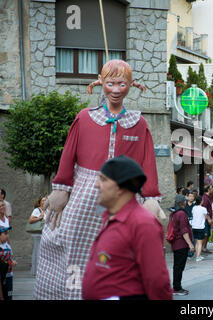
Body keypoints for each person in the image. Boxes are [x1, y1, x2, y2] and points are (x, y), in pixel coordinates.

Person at [35, 60, 162, 300]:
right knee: (70, 245)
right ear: (100, 82)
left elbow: (148, 163)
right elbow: (68, 155)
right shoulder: (84, 118)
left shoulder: (139, 123)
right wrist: (61, 187)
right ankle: (73, 294)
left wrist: (151, 197)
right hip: (85, 193)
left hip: (124, 198)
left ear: (131, 86)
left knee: (122, 252)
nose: (115, 90)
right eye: (110, 83)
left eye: (122, 84)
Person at [81, 156, 171, 300]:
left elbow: (157, 282)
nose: (96, 185)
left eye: (103, 179)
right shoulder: (108, 217)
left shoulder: (143, 224)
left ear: (120, 189)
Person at [169, 194, 195, 296]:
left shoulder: (174, 213)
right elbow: (184, 231)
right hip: (181, 244)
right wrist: (190, 244)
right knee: (179, 266)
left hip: (176, 243)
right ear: (183, 202)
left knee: (177, 266)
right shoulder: (182, 214)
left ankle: (176, 286)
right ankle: (177, 288)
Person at [28, 195, 47, 276]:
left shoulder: (49, 209)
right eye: (43, 200)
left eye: (46, 200)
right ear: (40, 202)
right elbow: (30, 220)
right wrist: (40, 217)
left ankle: (43, 270)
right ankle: (37, 270)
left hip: (45, 234)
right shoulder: (37, 210)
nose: (44, 202)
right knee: (38, 252)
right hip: (38, 234)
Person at [191, 197, 211, 262]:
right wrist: (209, 220)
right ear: (201, 201)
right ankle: (198, 257)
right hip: (200, 227)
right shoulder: (203, 209)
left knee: (196, 242)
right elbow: (206, 217)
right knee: (200, 243)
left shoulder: (194, 208)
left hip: (194, 226)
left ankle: (198, 255)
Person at [201, 186, 213, 253]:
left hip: (207, 218)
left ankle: (204, 247)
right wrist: (208, 219)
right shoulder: (205, 198)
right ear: (208, 190)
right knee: (206, 234)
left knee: (208, 234)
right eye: (211, 189)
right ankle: (203, 248)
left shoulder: (207, 197)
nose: (212, 190)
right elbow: (204, 210)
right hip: (206, 219)